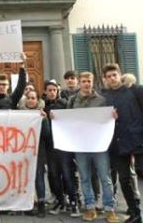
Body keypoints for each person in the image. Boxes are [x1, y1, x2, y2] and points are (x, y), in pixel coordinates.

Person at [63, 71, 119, 222]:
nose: (86, 84)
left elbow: (109, 119)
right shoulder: (72, 101)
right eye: (84, 81)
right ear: (79, 83)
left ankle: (109, 209)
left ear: (92, 82)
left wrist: (113, 116)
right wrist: (56, 118)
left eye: (89, 81)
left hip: (99, 146)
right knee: (85, 178)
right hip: (80, 146)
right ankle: (90, 207)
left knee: (105, 177)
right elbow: (66, 120)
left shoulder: (102, 100)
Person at [102, 64, 143, 223]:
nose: (112, 78)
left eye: (114, 75)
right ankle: (135, 213)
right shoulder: (103, 96)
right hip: (117, 142)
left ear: (120, 75)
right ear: (104, 79)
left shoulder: (135, 90)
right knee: (124, 179)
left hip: (138, 138)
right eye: (109, 76)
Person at [44, 79, 80, 217]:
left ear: (57, 91)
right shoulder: (43, 107)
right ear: (45, 92)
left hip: (65, 146)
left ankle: (73, 202)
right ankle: (60, 201)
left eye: (54, 90)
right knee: (53, 175)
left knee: (68, 174)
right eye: (49, 90)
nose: (52, 93)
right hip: (51, 146)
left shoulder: (65, 104)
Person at [20, 89, 49, 218]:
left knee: (38, 177)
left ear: (37, 100)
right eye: (29, 98)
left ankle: (41, 204)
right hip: (23, 151)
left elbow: (47, 135)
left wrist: (45, 120)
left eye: (33, 98)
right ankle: (28, 204)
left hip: (38, 151)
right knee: (26, 178)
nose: (31, 100)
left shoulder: (41, 114)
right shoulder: (19, 113)